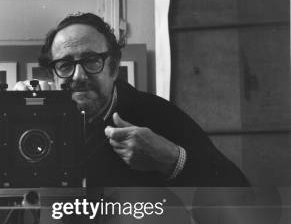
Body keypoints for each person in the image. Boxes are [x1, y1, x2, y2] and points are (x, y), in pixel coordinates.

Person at [15, 12, 249, 187]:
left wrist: (171, 159)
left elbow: (239, 189)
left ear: (114, 68)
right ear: (52, 75)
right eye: (65, 65)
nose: (78, 76)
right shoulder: (38, 121)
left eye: (91, 61)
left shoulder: (157, 113)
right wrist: (13, 123)